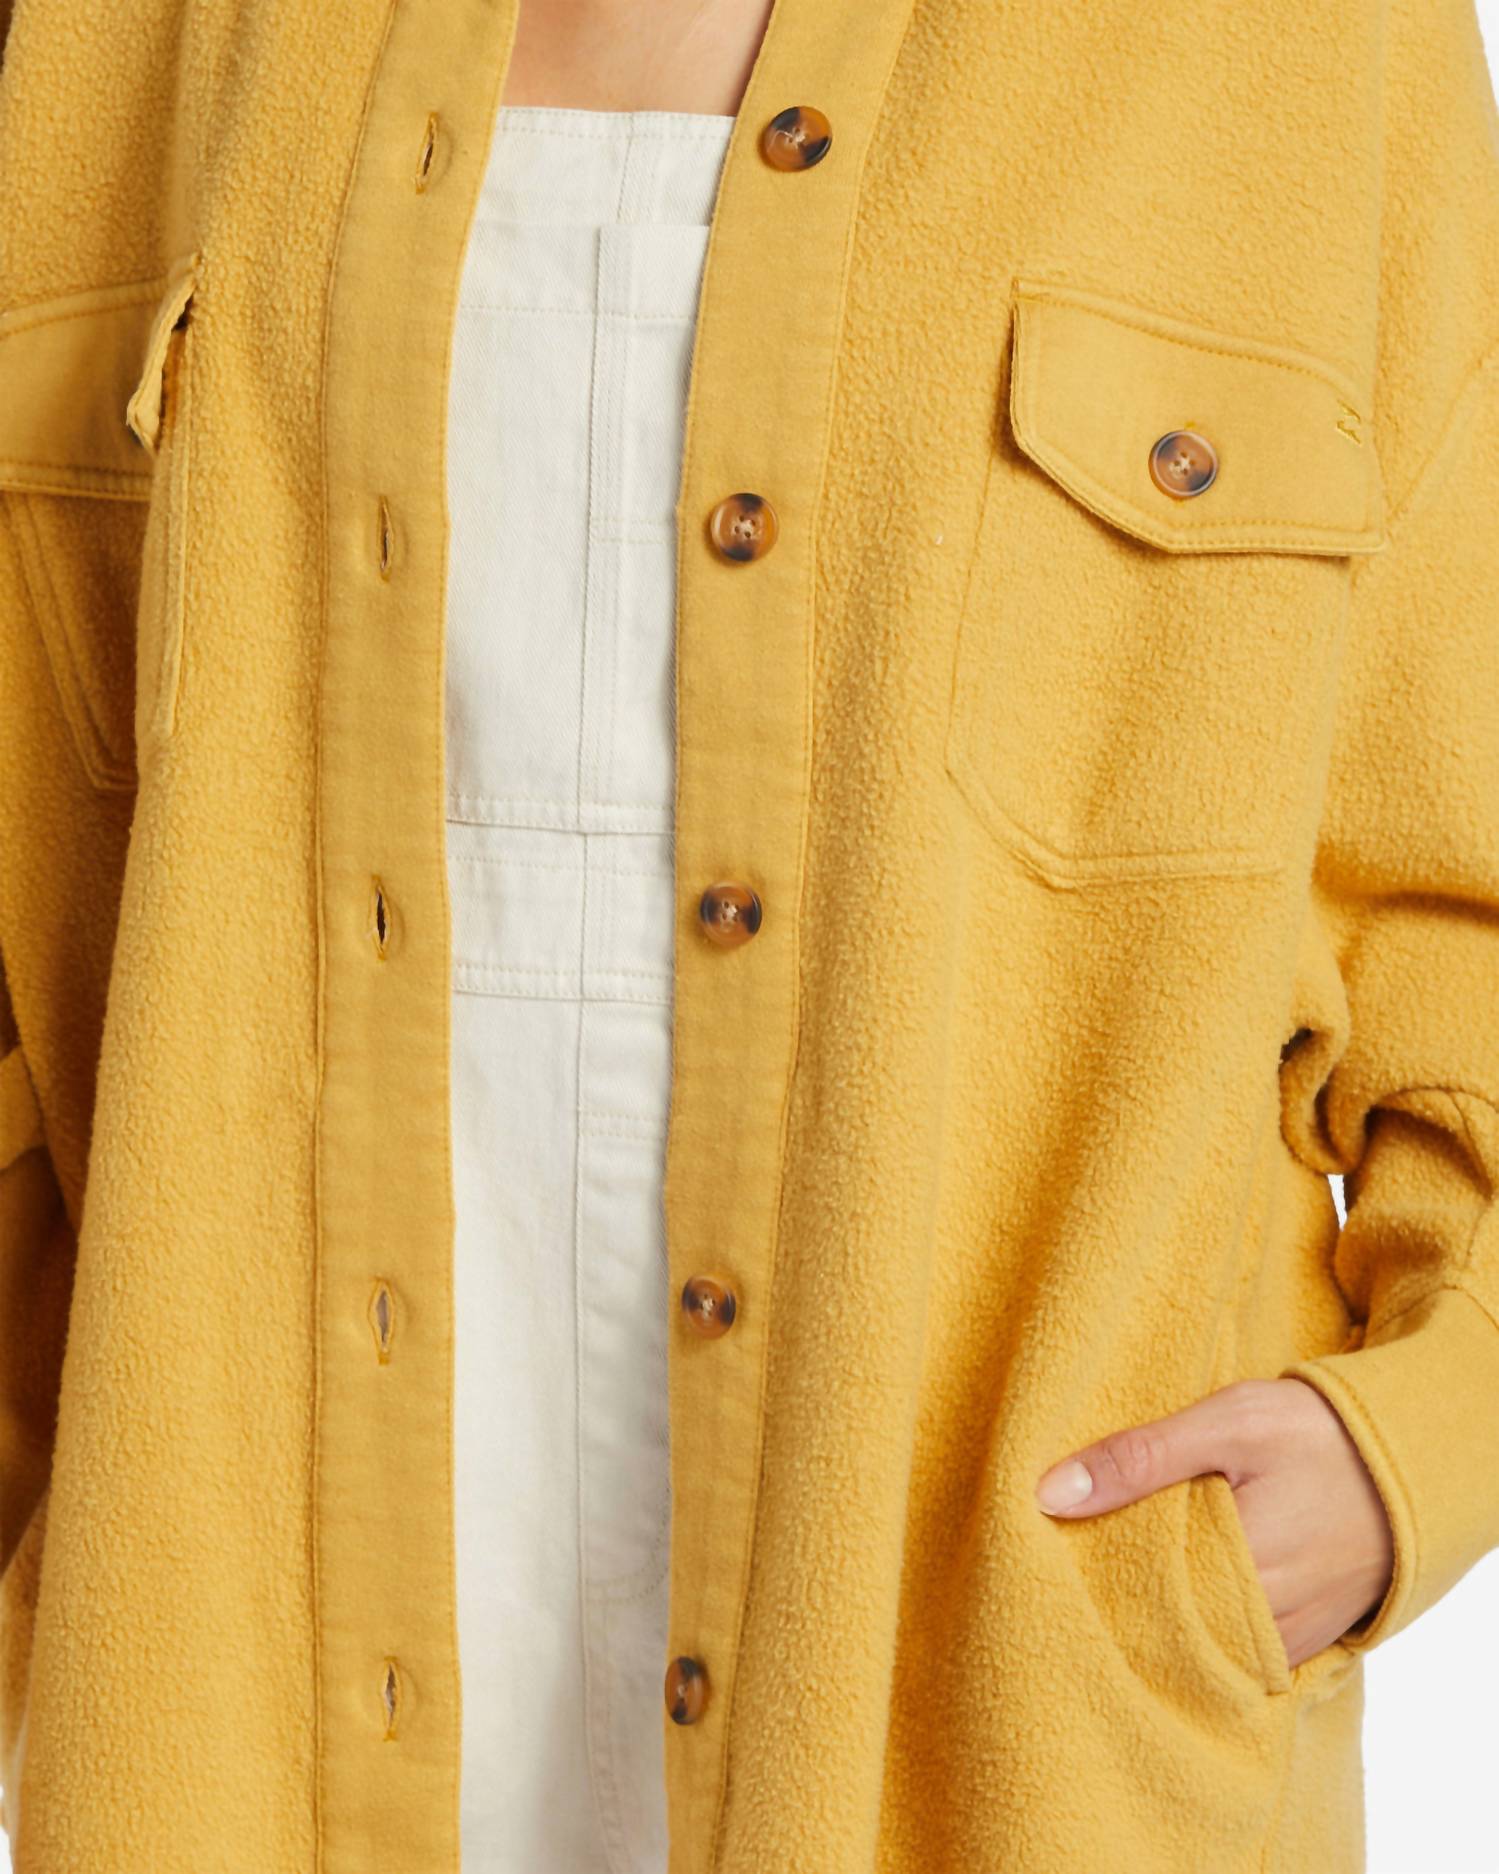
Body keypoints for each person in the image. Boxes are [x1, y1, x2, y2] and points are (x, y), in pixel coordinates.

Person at [0, 2, 1495, 1872]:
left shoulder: (1304, 48)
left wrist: (1421, 1439)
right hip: (233, 1693)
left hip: (997, 1725)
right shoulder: (115, 34)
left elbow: (1459, 884)